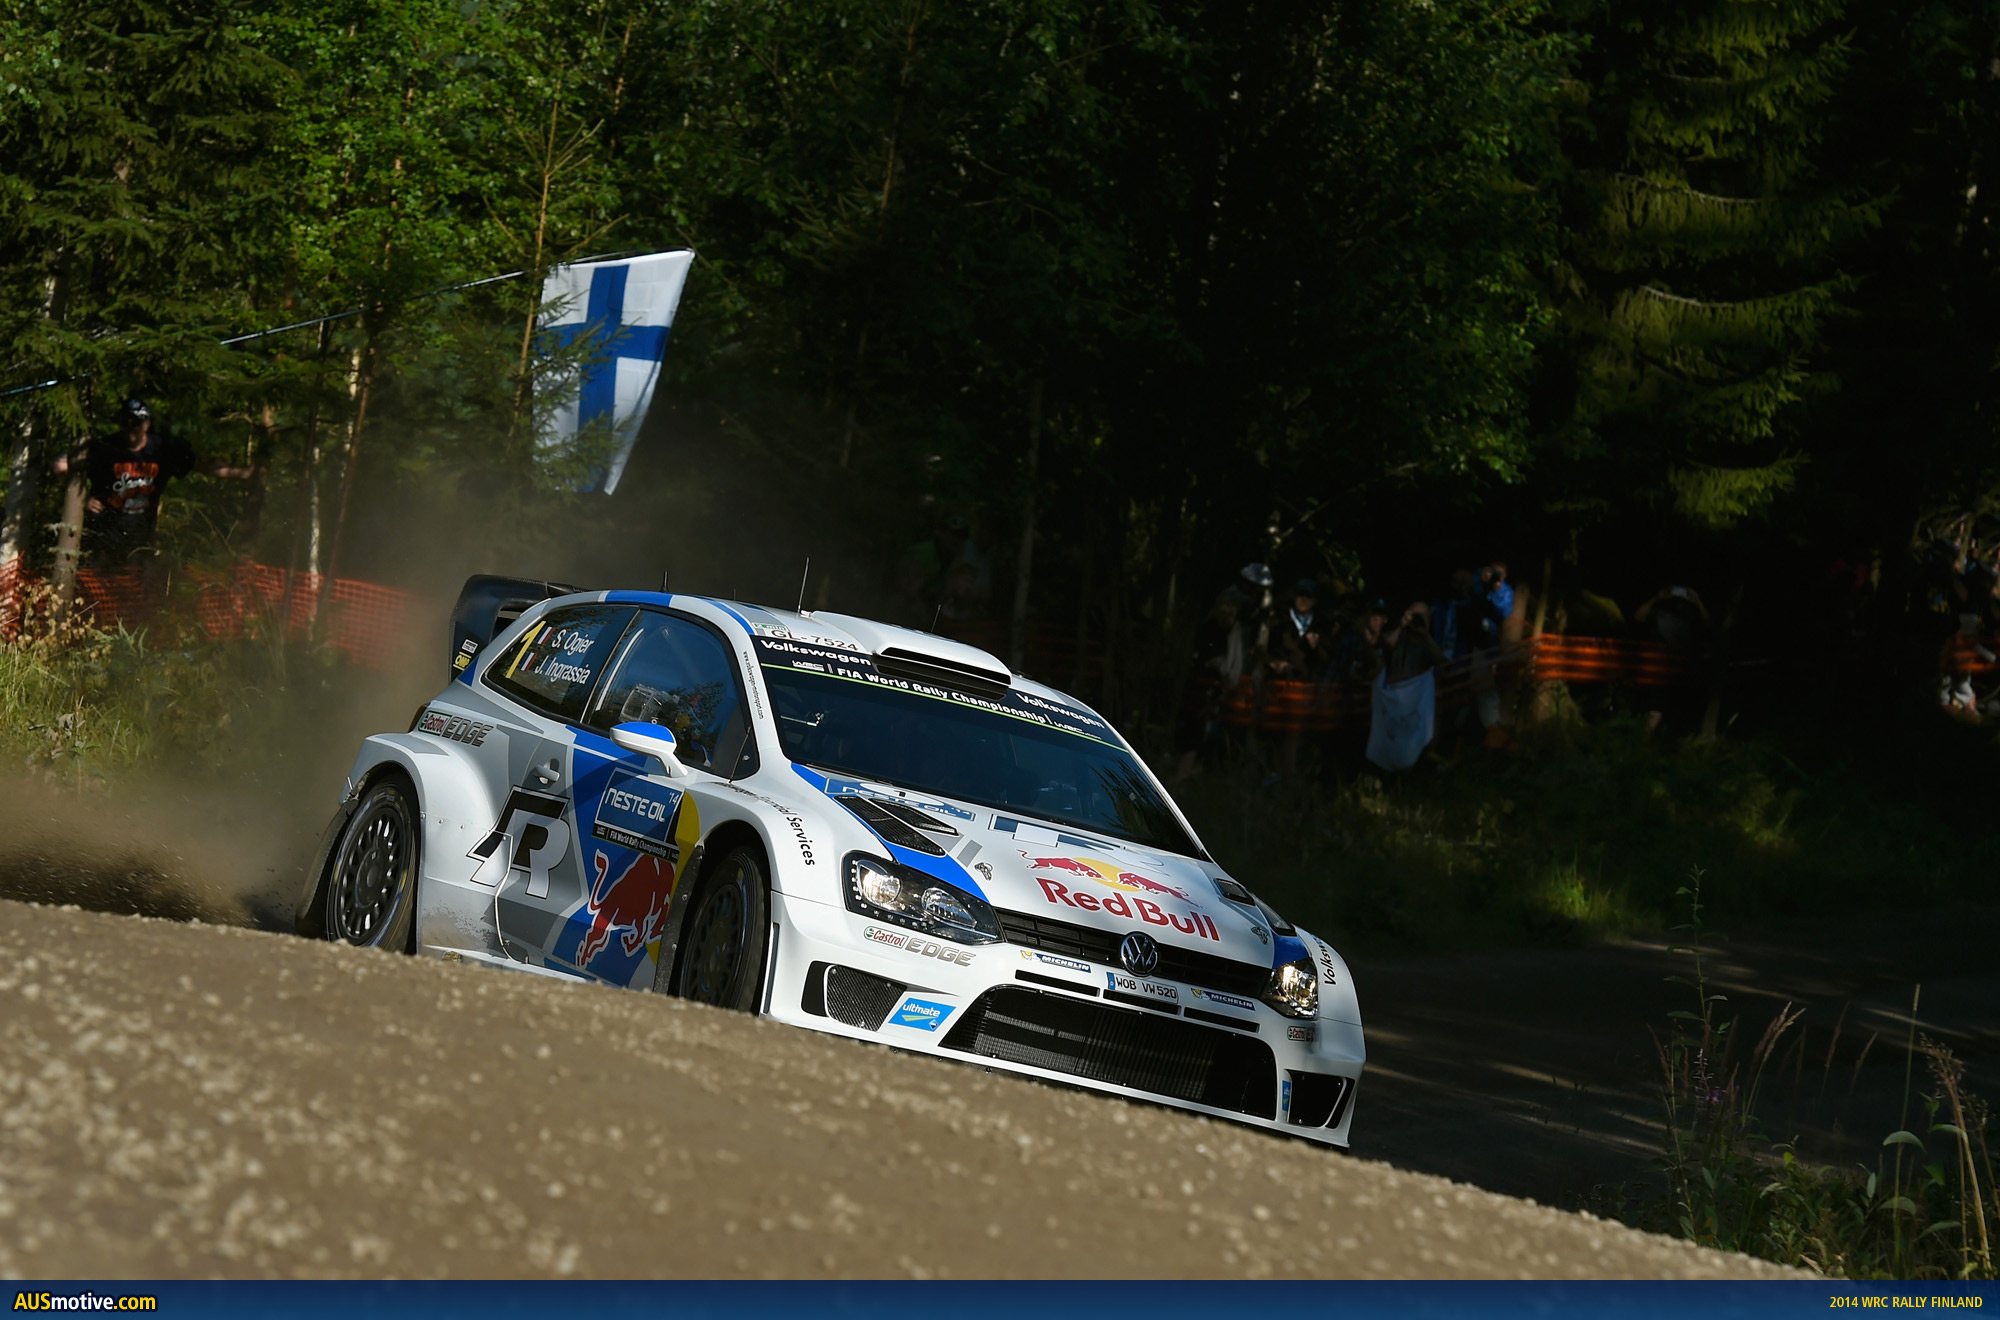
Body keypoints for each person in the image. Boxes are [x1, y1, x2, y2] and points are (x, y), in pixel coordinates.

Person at [56, 398, 253, 569]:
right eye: (126, 421)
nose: (131, 427)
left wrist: (243, 473)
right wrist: (81, 500)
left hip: (141, 542)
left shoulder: (162, 449)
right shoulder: (105, 448)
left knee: (140, 590)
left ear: (146, 424)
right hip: (103, 540)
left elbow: (203, 465)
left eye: (136, 422)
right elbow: (61, 466)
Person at [1269, 577, 1324, 678]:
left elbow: (1327, 660)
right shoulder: (1278, 619)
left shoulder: (1322, 624)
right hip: (1279, 682)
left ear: (1314, 600)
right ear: (1294, 596)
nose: (1303, 599)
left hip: (1308, 684)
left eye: (1308, 596)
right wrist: (1273, 663)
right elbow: (1264, 650)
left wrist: (1316, 647)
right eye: (1300, 594)